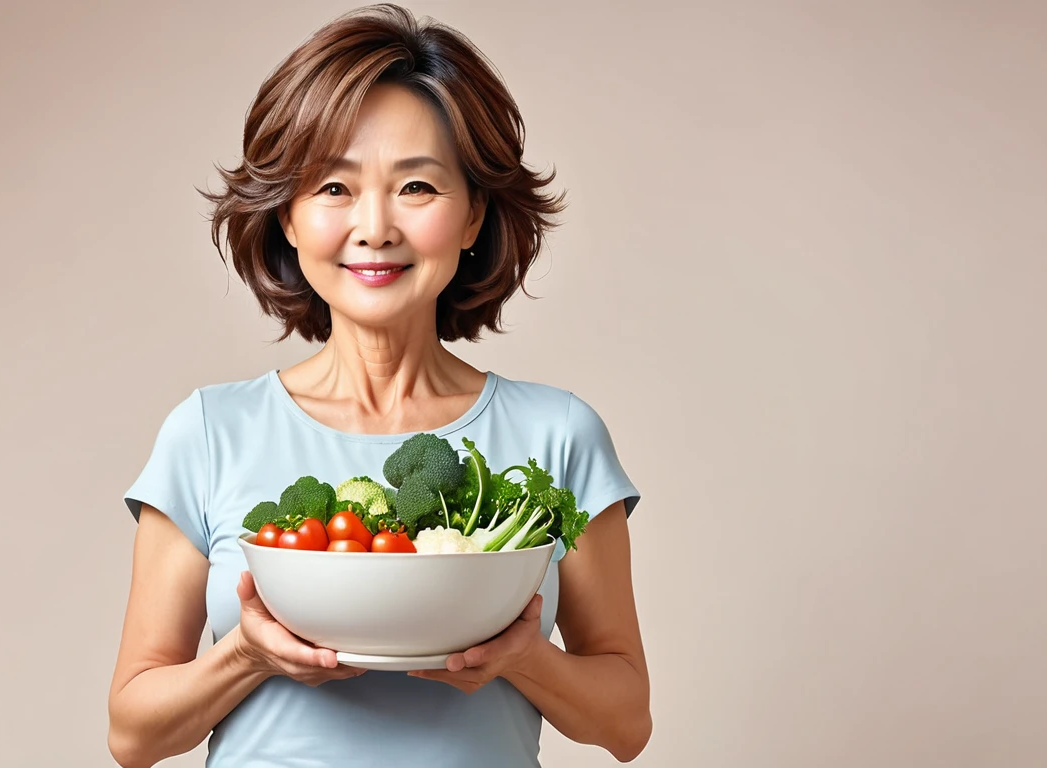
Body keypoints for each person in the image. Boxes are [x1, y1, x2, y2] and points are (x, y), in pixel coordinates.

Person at [107, 5, 650, 767]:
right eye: (333, 186)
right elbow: (131, 734)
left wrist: (522, 658)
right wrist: (249, 657)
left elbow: (626, 724)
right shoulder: (208, 432)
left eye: (418, 188)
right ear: (288, 218)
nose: (374, 227)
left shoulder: (558, 435)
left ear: (473, 218)